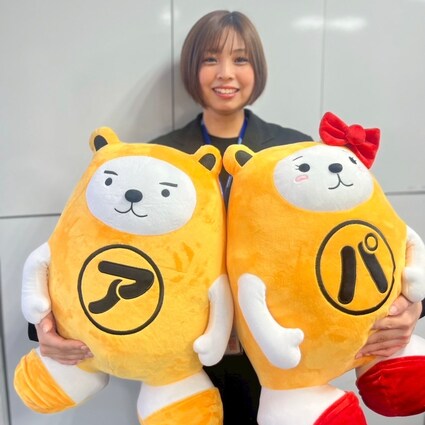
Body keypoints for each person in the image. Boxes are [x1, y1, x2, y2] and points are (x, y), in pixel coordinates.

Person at [29, 10, 424, 425]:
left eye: (240, 59)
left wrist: (411, 306)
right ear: (192, 69)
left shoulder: (295, 151)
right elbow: (93, 243)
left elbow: (366, 233)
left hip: (283, 363)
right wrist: (45, 327)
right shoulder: (157, 157)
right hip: (189, 365)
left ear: (257, 69)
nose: (226, 73)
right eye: (210, 59)